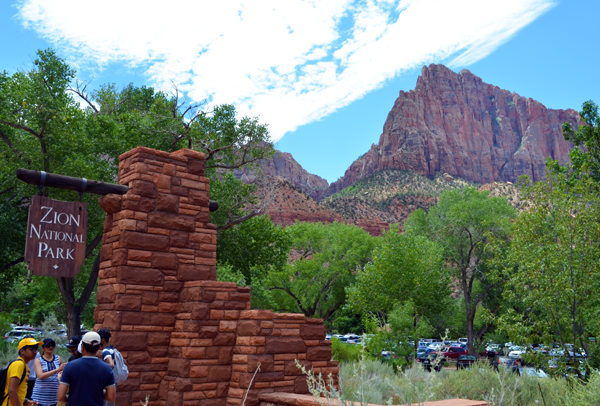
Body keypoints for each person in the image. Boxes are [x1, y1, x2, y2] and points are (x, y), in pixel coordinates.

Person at [57, 332, 115, 406]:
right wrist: (95, 392)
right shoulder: (107, 368)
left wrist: (72, 399)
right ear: (98, 348)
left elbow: (60, 397)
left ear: (82, 347)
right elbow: (111, 397)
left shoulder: (70, 366)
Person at [2, 337, 43, 406]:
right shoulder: (19, 364)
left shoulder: (24, 365)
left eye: (36, 349)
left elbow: (17, 390)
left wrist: (25, 401)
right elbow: (11, 391)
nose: (35, 352)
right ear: (22, 351)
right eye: (32, 349)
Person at [31, 339, 65, 406]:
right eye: (48, 346)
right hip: (39, 396)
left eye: (52, 345)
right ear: (43, 348)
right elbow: (40, 376)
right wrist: (56, 370)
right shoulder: (38, 360)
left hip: (53, 396)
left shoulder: (58, 358)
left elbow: (62, 372)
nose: (51, 347)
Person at [97, 329, 115, 406]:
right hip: (113, 381)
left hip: (107, 382)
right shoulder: (113, 349)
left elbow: (111, 364)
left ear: (103, 339)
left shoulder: (105, 351)